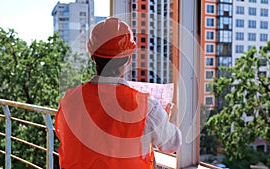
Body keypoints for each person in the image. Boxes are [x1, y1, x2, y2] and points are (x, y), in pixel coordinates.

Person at [55, 17, 182, 169]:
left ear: (92, 56)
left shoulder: (69, 101)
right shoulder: (147, 107)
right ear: (128, 60)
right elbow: (172, 144)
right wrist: (170, 119)